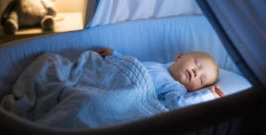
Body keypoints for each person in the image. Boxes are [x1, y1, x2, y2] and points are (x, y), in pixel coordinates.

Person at [95, 48, 225, 110]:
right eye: (197, 64)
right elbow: (135, 65)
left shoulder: (176, 88)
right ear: (179, 57)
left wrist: (208, 95)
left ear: (196, 88)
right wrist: (115, 55)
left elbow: (178, 104)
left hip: (122, 94)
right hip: (113, 76)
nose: (196, 72)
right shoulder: (159, 65)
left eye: (201, 79)